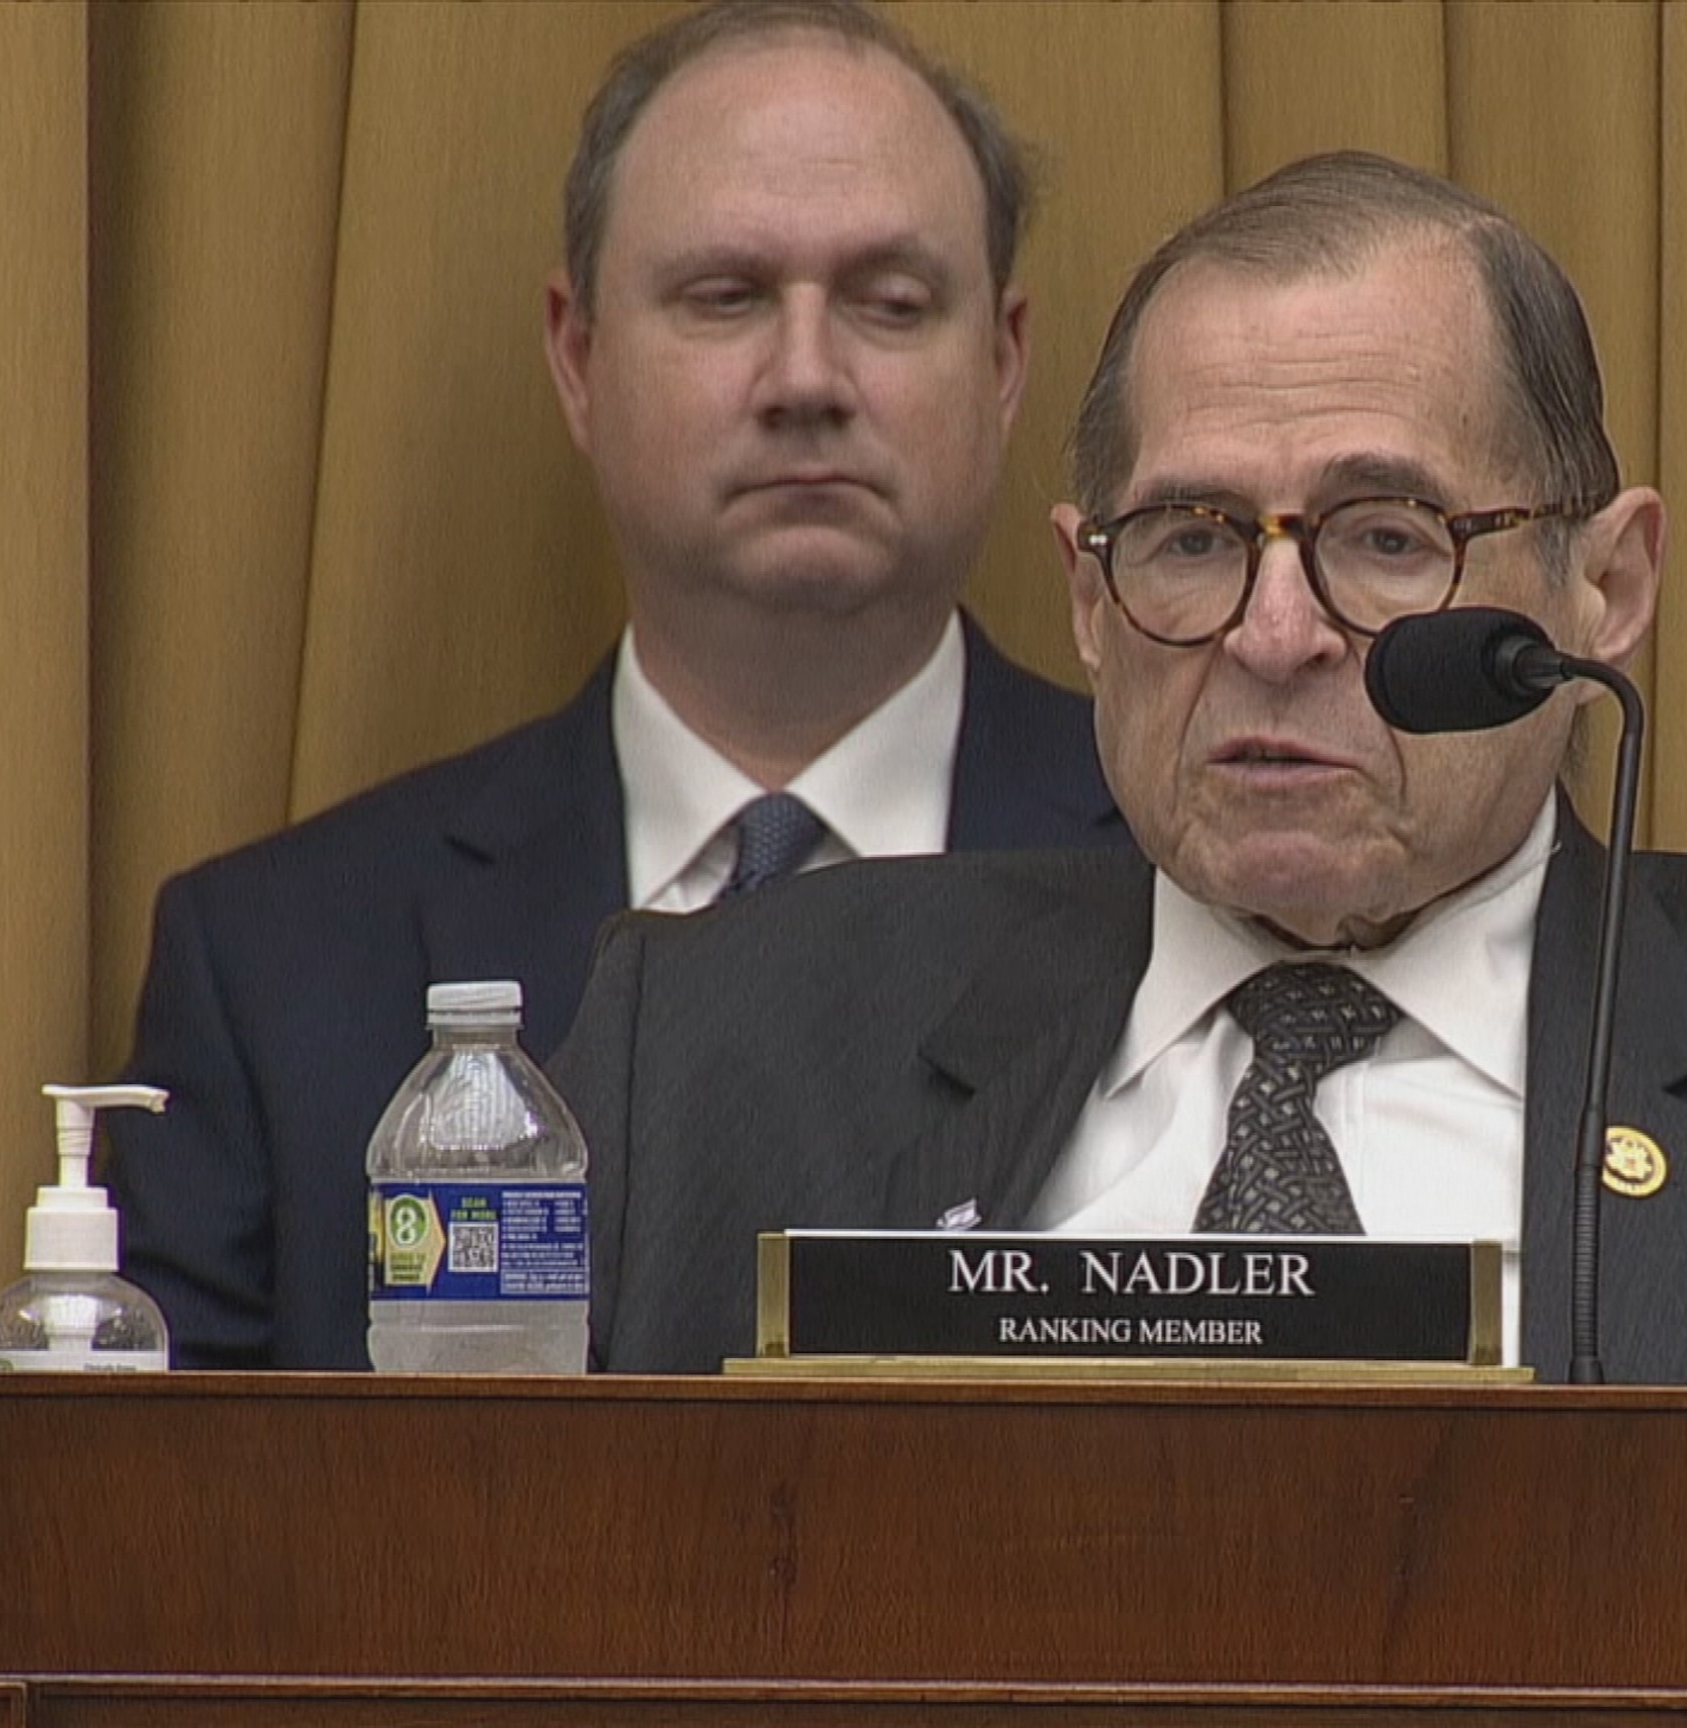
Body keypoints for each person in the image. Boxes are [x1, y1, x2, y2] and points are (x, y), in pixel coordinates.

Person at [559, 151, 1687, 1384]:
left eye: (1389, 539)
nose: (1279, 633)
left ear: (1607, 590)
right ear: (1092, 603)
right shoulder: (707, 1047)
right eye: (1192, 540)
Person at [111, 1, 1128, 1370]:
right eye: (726, 298)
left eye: (891, 304)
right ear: (579, 355)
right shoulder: (274, 965)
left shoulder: (1185, 891)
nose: (808, 378)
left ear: (1005, 364)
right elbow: (162, 1538)